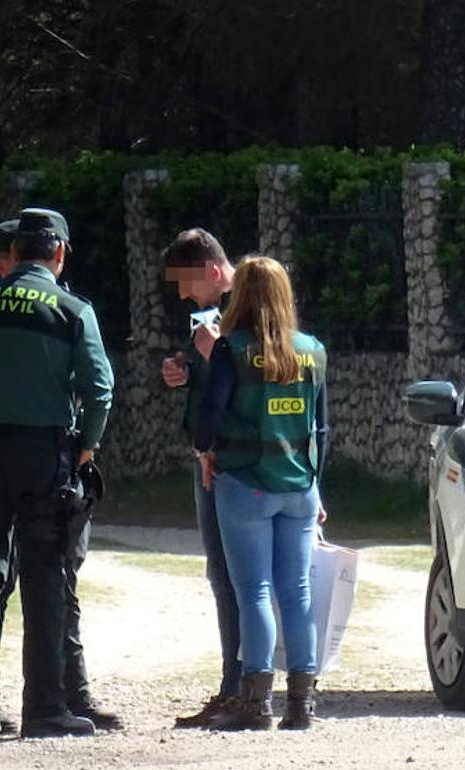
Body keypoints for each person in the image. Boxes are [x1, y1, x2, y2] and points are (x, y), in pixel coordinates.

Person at [0, 208, 115, 738]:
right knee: (45, 575)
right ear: (58, 253)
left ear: (14, 255)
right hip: (45, 452)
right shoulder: (71, 308)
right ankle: (45, 708)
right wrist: (86, 447)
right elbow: (99, 389)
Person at [192, 255, 328, 731]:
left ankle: (256, 704)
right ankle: (302, 705)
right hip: (300, 486)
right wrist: (317, 483)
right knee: (298, 591)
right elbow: (320, 428)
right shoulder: (312, 350)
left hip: (245, 484)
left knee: (254, 592)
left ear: (242, 295)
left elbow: (207, 416)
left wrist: (204, 451)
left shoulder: (231, 349)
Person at [160, 228, 243, 727]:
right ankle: (233, 684)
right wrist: (183, 370)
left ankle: (243, 687)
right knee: (222, 574)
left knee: (240, 578)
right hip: (209, 455)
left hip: (234, 460)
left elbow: (253, 377)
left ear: (212, 272)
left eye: (187, 283)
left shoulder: (249, 310)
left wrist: (211, 358)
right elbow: (209, 375)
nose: (183, 295)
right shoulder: (207, 315)